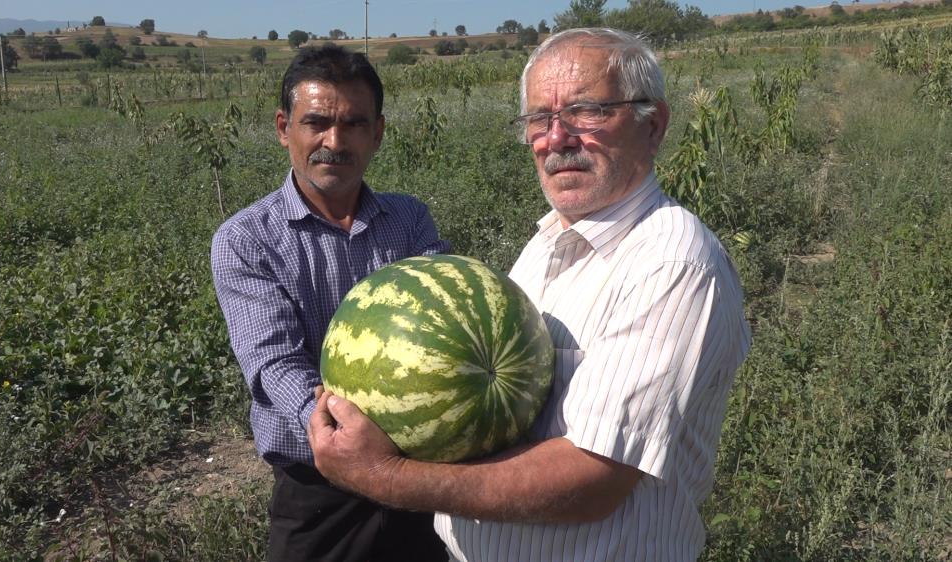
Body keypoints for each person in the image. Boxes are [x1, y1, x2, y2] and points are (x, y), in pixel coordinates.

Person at [307, 28, 752, 562]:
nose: (556, 137)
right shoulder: (548, 242)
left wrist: (384, 475)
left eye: (587, 112)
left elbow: (592, 478)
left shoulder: (671, 264)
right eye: (539, 119)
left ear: (652, 125)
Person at [210, 45, 450, 562]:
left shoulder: (409, 221)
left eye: (354, 124)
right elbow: (274, 361)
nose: (334, 142)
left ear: (378, 133)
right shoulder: (247, 239)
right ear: (283, 128)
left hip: (417, 471)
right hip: (318, 490)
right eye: (316, 123)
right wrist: (343, 435)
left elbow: (445, 318)